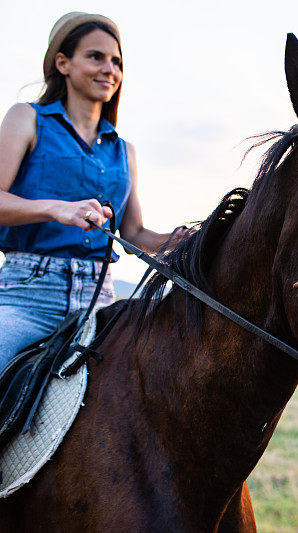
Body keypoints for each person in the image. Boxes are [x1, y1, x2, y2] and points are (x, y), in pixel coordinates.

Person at [0, 13, 184, 371]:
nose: (109, 70)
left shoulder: (124, 150)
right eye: (95, 57)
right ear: (63, 63)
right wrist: (57, 209)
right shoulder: (26, 119)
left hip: (100, 301)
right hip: (28, 297)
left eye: (116, 62)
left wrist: (180, 239)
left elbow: (133, 234)